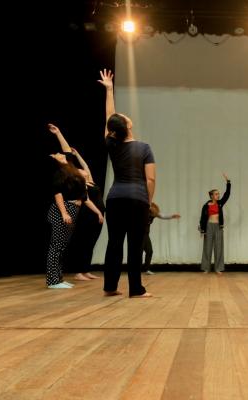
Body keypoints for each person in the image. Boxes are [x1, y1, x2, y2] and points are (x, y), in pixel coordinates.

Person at [98, 69, 155, 298]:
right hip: (137, 200)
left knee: (114, 244)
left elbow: (109, 119)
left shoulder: (113, 146)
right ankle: (136, 289)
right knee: (135, 246)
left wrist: (109, 91)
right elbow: (150, 179)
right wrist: (148, 201)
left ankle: (110, 288)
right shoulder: (144, 148)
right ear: (128, 125)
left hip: (114, 199)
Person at [47, 123, 105, 282]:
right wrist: (64, 213)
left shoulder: (70, 171)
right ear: (55, 160)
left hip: (72, 209)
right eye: (57, 154)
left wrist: (58, 133)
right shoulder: (60, 173)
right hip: (63, 210)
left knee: (61, 246)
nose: (60, 153)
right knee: (56, 246)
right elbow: (58, 194)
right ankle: (53, 280)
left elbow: (67, 151)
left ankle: (58, 279)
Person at [199, 173, 231, 274]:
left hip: (218, 227)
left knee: (218, 247)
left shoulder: (220, 203)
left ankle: (218, 268)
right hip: (209, 226)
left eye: (218, 194)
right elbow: (202, 218)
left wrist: (228, 182)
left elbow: (227, 195)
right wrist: (202, 230)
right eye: (216, 194)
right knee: (207, 248)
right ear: (212, 195)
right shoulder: (206, 205)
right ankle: (206, 268)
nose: (218, 195)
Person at [142, 202, 181, 275]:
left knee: (149, 251)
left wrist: (172, 216)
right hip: (138, 234)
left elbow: (163, 216)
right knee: (138, 252)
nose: (155, 215)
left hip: (146, 234)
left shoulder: (153, 214)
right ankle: (135, 270)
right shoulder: (143, 213)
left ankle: (146, 269)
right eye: (154, 213)